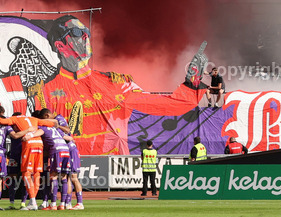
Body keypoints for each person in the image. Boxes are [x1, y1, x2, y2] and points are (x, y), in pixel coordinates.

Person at [31, 16, 208, 156]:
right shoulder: (44, 90)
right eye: (76, 33)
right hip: (64, 161)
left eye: (86, 32)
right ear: (60, 45)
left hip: (113, 160)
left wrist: (192, 81)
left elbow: (168, 105)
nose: (85, 36)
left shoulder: (116, 83)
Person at [0, 109, 54, 211]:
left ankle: (31, 201)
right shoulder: (33, 119)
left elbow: (2, 121)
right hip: (39, 144)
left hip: (28, 145)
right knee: (36, 173)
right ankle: (30, 201)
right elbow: (51, 123)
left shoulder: (15, 119)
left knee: (26, 173)